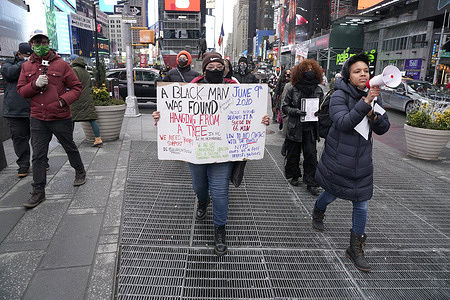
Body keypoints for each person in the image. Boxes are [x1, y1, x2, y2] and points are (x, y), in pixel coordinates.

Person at [152, 52, 270, 256]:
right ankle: (202, 201)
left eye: (219, 66)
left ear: (225, 69)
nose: (215, 70)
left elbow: (249, 113)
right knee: (199, 186)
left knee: (220, 192)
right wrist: (161, 117)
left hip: (222, 152)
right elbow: (176, 113)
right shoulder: (189, 90)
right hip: (197, 151)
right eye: (211, 67)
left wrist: (262, 120)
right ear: (204, 68)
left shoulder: (235, 89)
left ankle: (220, 229)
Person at [313, 53, 390, 272]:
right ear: (348, 76)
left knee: (361, 203)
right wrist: (365, 103)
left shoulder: (375, 96)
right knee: (331, 193)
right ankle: (318, 210)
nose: (362, 74)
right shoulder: (340, 95)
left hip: (362, 161)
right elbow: (343, 122)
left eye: (366, 70)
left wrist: (375, 116)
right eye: (357, 71)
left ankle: (355, 248)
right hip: (338, 159)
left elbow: (383, 128)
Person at [17, 29, 86, 208]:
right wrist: (34, 84)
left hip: (60, 116)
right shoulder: (26, 66)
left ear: (48, 43)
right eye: (36, 42)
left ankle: (80, 171)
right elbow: (22, 91)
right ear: (31, 44)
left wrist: (63, 102)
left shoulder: (61, 65)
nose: (40, 45)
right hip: (38, 118)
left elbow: (77, 88)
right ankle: (38, 191)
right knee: (38, 156)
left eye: (43, 42)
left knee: (69, 146)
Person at [281, 59, 322, 196]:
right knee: (293, 153)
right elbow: (285, 107)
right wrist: (296, 112)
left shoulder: (318, 90)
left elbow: (323, 109)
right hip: (295, 127)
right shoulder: (293, 89)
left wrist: (319, 113)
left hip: (310, 129)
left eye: (311, 69)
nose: (309, 72)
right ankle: (294, 175)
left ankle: (311, 182)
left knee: (311, 155)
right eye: (306, 70)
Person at [1, 42, 33, 177]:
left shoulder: (34, 63)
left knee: (39, 138)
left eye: (29, 56)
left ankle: (42, 161)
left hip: (33, 107)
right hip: (15, 110)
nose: (27, 58)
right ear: (19, 54)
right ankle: (23, 165)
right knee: (19, 139)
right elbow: (9, 73)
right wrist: (25, 63)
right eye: (25, 55)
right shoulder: (8, 63)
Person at [68, 54, 103, 147]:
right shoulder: (86, 72)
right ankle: (98, 139)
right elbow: (89, 85)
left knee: (71, 119)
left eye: (70, 60)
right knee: (91, 119)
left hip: (76, 98)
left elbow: (70, 84)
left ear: (72, 61)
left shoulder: (73, 70)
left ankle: (68, 140)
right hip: (87, 97)